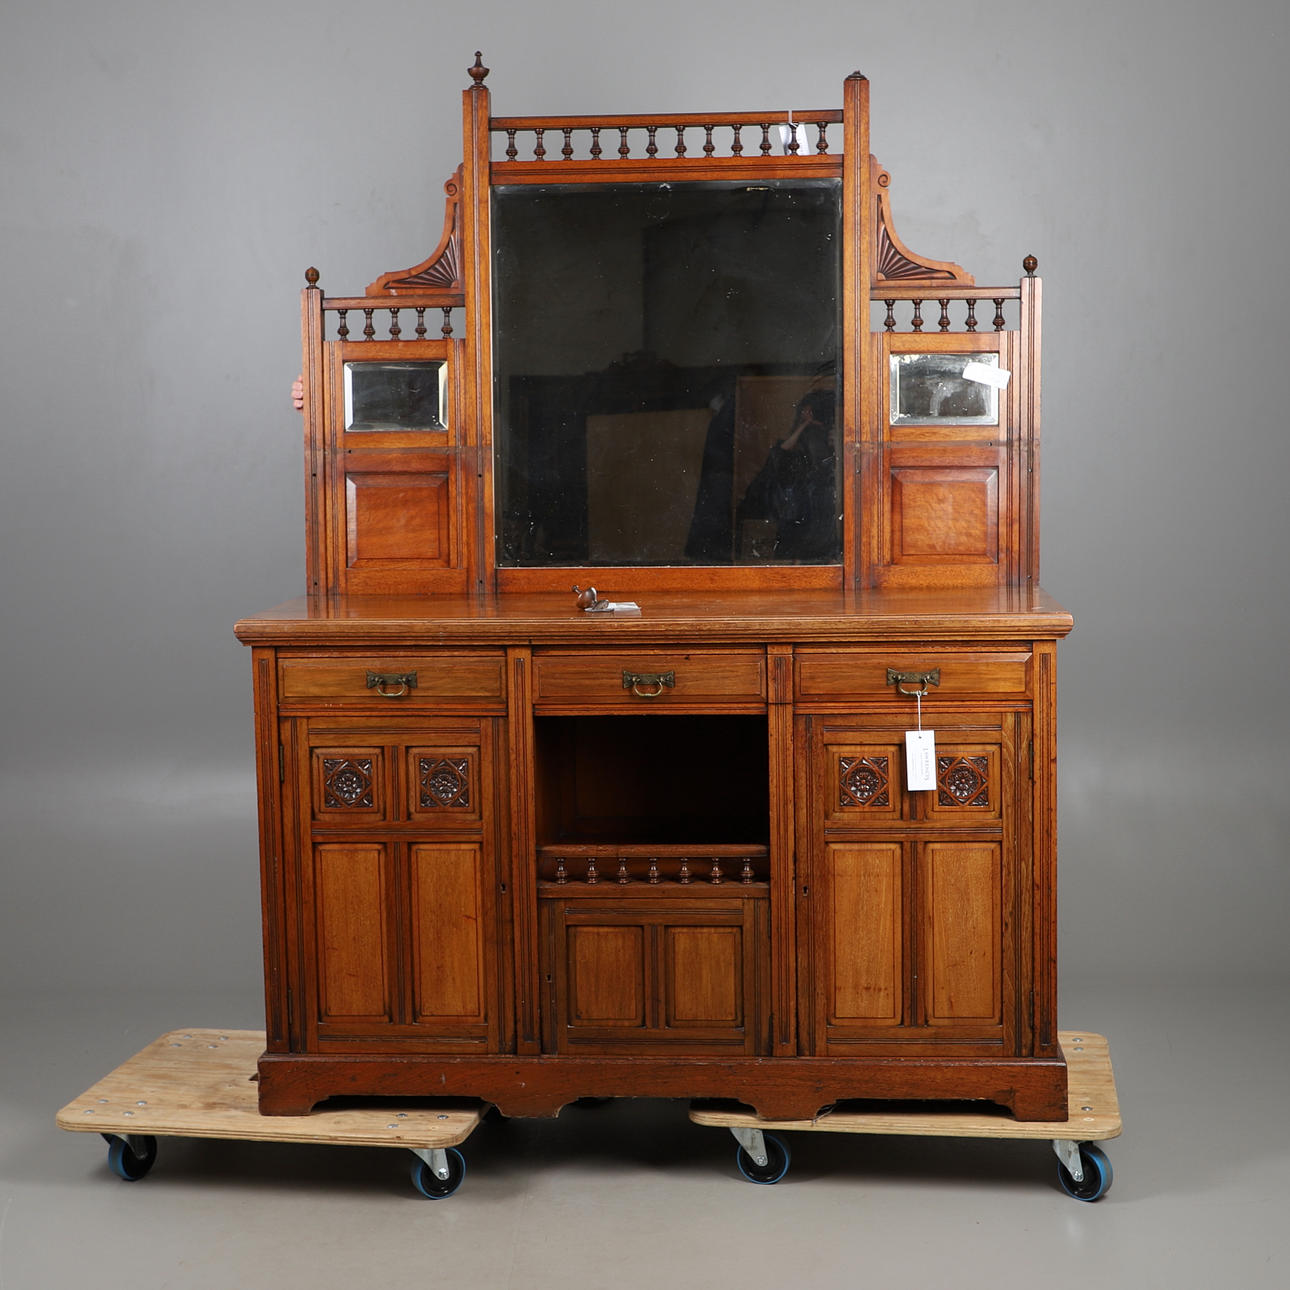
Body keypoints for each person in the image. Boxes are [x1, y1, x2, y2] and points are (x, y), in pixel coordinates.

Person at [735, 387, 838, 561]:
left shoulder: (826, 434)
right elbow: (781, 453)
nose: (807, 414)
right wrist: (804, 424)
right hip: (793, 507)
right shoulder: (800, 437)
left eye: (811, 411)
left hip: (816, 505)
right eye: (805, 411)